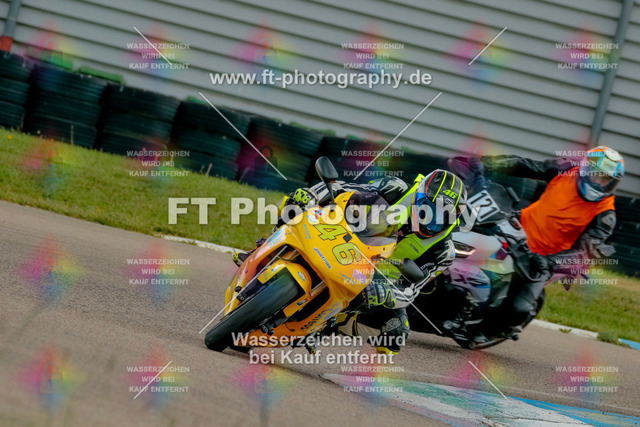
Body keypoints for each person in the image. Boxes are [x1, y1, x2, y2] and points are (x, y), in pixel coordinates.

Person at [282, 170, 467, 353]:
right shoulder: (395, 188)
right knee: (293, 204)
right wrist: (312, 194)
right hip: (346, 241)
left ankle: (326, 325)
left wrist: (388, 294)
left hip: (375, 280)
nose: (430, 220)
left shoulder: (444, 251)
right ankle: (274, 246)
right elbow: (345, 188)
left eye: (441, 217)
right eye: (426, 208)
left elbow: (411, 291)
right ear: (418, 196)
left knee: (397, 331)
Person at [455, 146, 624, 332]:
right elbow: (527, 166)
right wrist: (488, 163)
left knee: (517, 309)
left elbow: (584, 254)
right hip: (515, 227)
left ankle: (483, 331)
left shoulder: (605, 215)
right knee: (463, 229)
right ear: (585, 168)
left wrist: (549, 262)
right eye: (594, 174)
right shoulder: (566, 170)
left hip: (540, 259)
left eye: (604, 179)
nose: (597, 182)